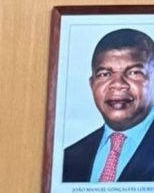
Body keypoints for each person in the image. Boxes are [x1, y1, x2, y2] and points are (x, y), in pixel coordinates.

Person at [63, 28, 154, 182]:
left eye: (134, 72)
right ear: (92, 84)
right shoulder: (69, 158)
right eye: (104, 74)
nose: (117, 84)